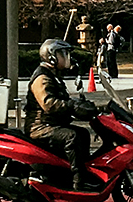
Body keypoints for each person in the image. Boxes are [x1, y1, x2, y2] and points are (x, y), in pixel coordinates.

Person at [25, 36, 95, 192]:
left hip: (51, 123)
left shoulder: (53, 75)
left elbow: (62, 99)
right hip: (40, 127)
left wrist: (80, 104)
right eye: (62, 54)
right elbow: (49, 104)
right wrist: (72, 105)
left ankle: (81, 173)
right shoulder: (42, 77)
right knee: (72, 136)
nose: (66, 58)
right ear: (51, 56)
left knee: (83, 133)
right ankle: (78, 182)